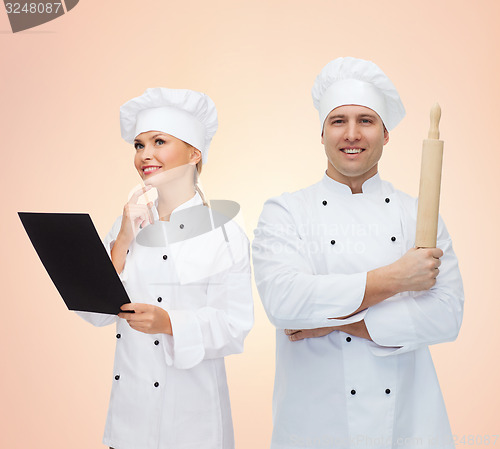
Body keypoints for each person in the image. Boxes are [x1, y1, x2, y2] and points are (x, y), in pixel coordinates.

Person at [252, 57, 464, 449]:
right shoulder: (285, 212)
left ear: (385, 134)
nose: (352, 134)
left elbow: (447, 316)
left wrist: (333, 322)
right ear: (321, 133)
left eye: (365, 121)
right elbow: (284, 302)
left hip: (409, 424)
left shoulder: (419, 214)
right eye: (338, 121)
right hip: (315, 426)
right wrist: (397, 278)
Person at [78, 87, 254, 449]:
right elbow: (95, 313)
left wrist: (170, 323)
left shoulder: (223, 233)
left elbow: (234, 326)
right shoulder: (124, 223)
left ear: (194, 152)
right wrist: (123, 240)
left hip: (194, 426)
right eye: (139, 145)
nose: (145, 155)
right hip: (129, 424)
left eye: (159, 142)